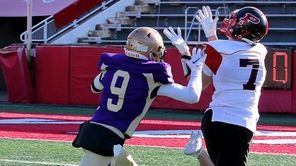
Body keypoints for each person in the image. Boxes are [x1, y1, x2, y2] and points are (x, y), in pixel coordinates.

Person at [72, 26, 207, 166]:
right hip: (107, 139)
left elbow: (95, 87)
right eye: (158, 51)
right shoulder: (151, 77)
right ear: (150, 50)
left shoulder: (112, 65)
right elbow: (192, 96)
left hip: (95, 131)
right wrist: (196, 68)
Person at [178, 5, 269, 166]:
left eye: (234, 21)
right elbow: (229, 53)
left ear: (244, 28)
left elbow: (200, 84)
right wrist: (212, 37)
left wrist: (186, 54)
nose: (229, 23)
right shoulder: (260, 51)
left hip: (214, 119)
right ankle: (200, 153)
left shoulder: (217, 49)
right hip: (240, 121)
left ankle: (200, 153)